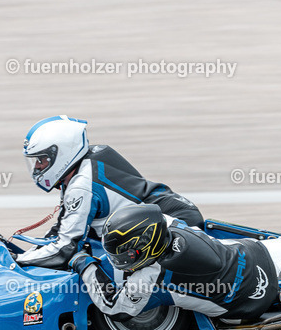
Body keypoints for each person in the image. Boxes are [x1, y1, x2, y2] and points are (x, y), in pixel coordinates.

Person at [68, 203, 281, 330]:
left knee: (233, 294)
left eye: (127, 253)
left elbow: (116, 308)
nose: (121, 259)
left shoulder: (151, 276)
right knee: (228, 270)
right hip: (253, 252)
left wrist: (85, 264)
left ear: (148, 243)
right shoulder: (169, 222)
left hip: (239, 302)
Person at [16, 115, 203, 268]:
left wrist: (17, 261)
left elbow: (66, 248)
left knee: (90, 264)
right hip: (173, 212)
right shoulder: (84, 163)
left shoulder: (81, 185)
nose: (37, 167)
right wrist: (26, 255)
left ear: (61, 153)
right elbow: (61, 231)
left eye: (42, 160)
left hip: (174, 225)